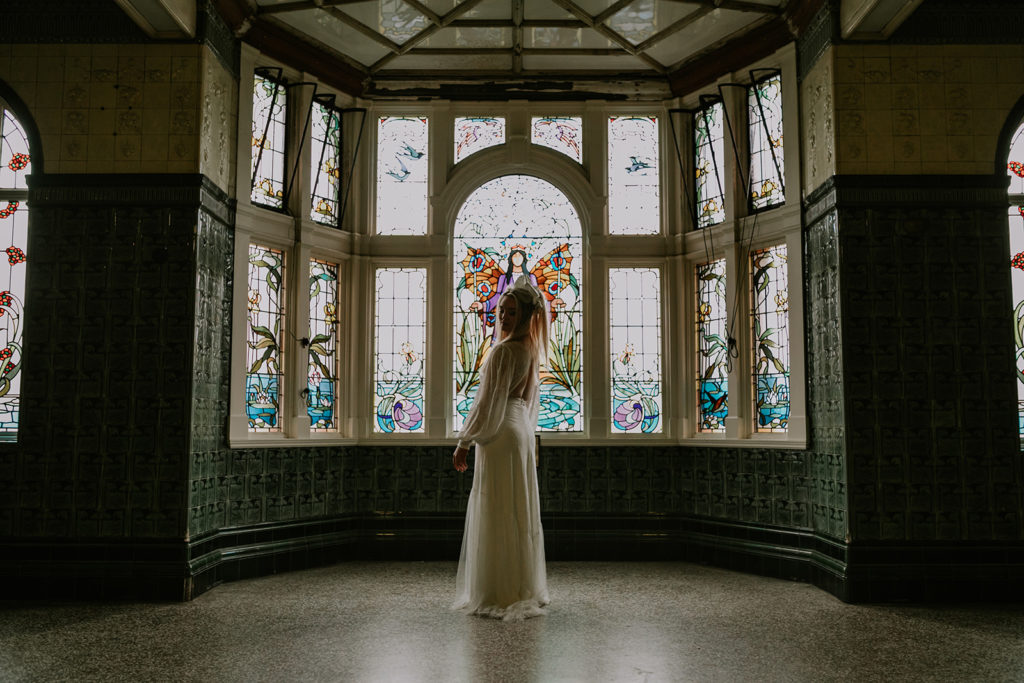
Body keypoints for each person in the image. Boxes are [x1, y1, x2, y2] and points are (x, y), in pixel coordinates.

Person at [451, 275, 550, 620]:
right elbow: (523, 399)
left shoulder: (504, 350)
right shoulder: (530, 349)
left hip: (499, 435)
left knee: (497, 508)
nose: (503, 318)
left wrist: (463, 441)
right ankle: (521, 585)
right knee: (516, 508)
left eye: (511, 312)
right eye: (501, 312)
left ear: (525, 315)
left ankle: (497, 590)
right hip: (519, 431)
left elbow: (485, 404)